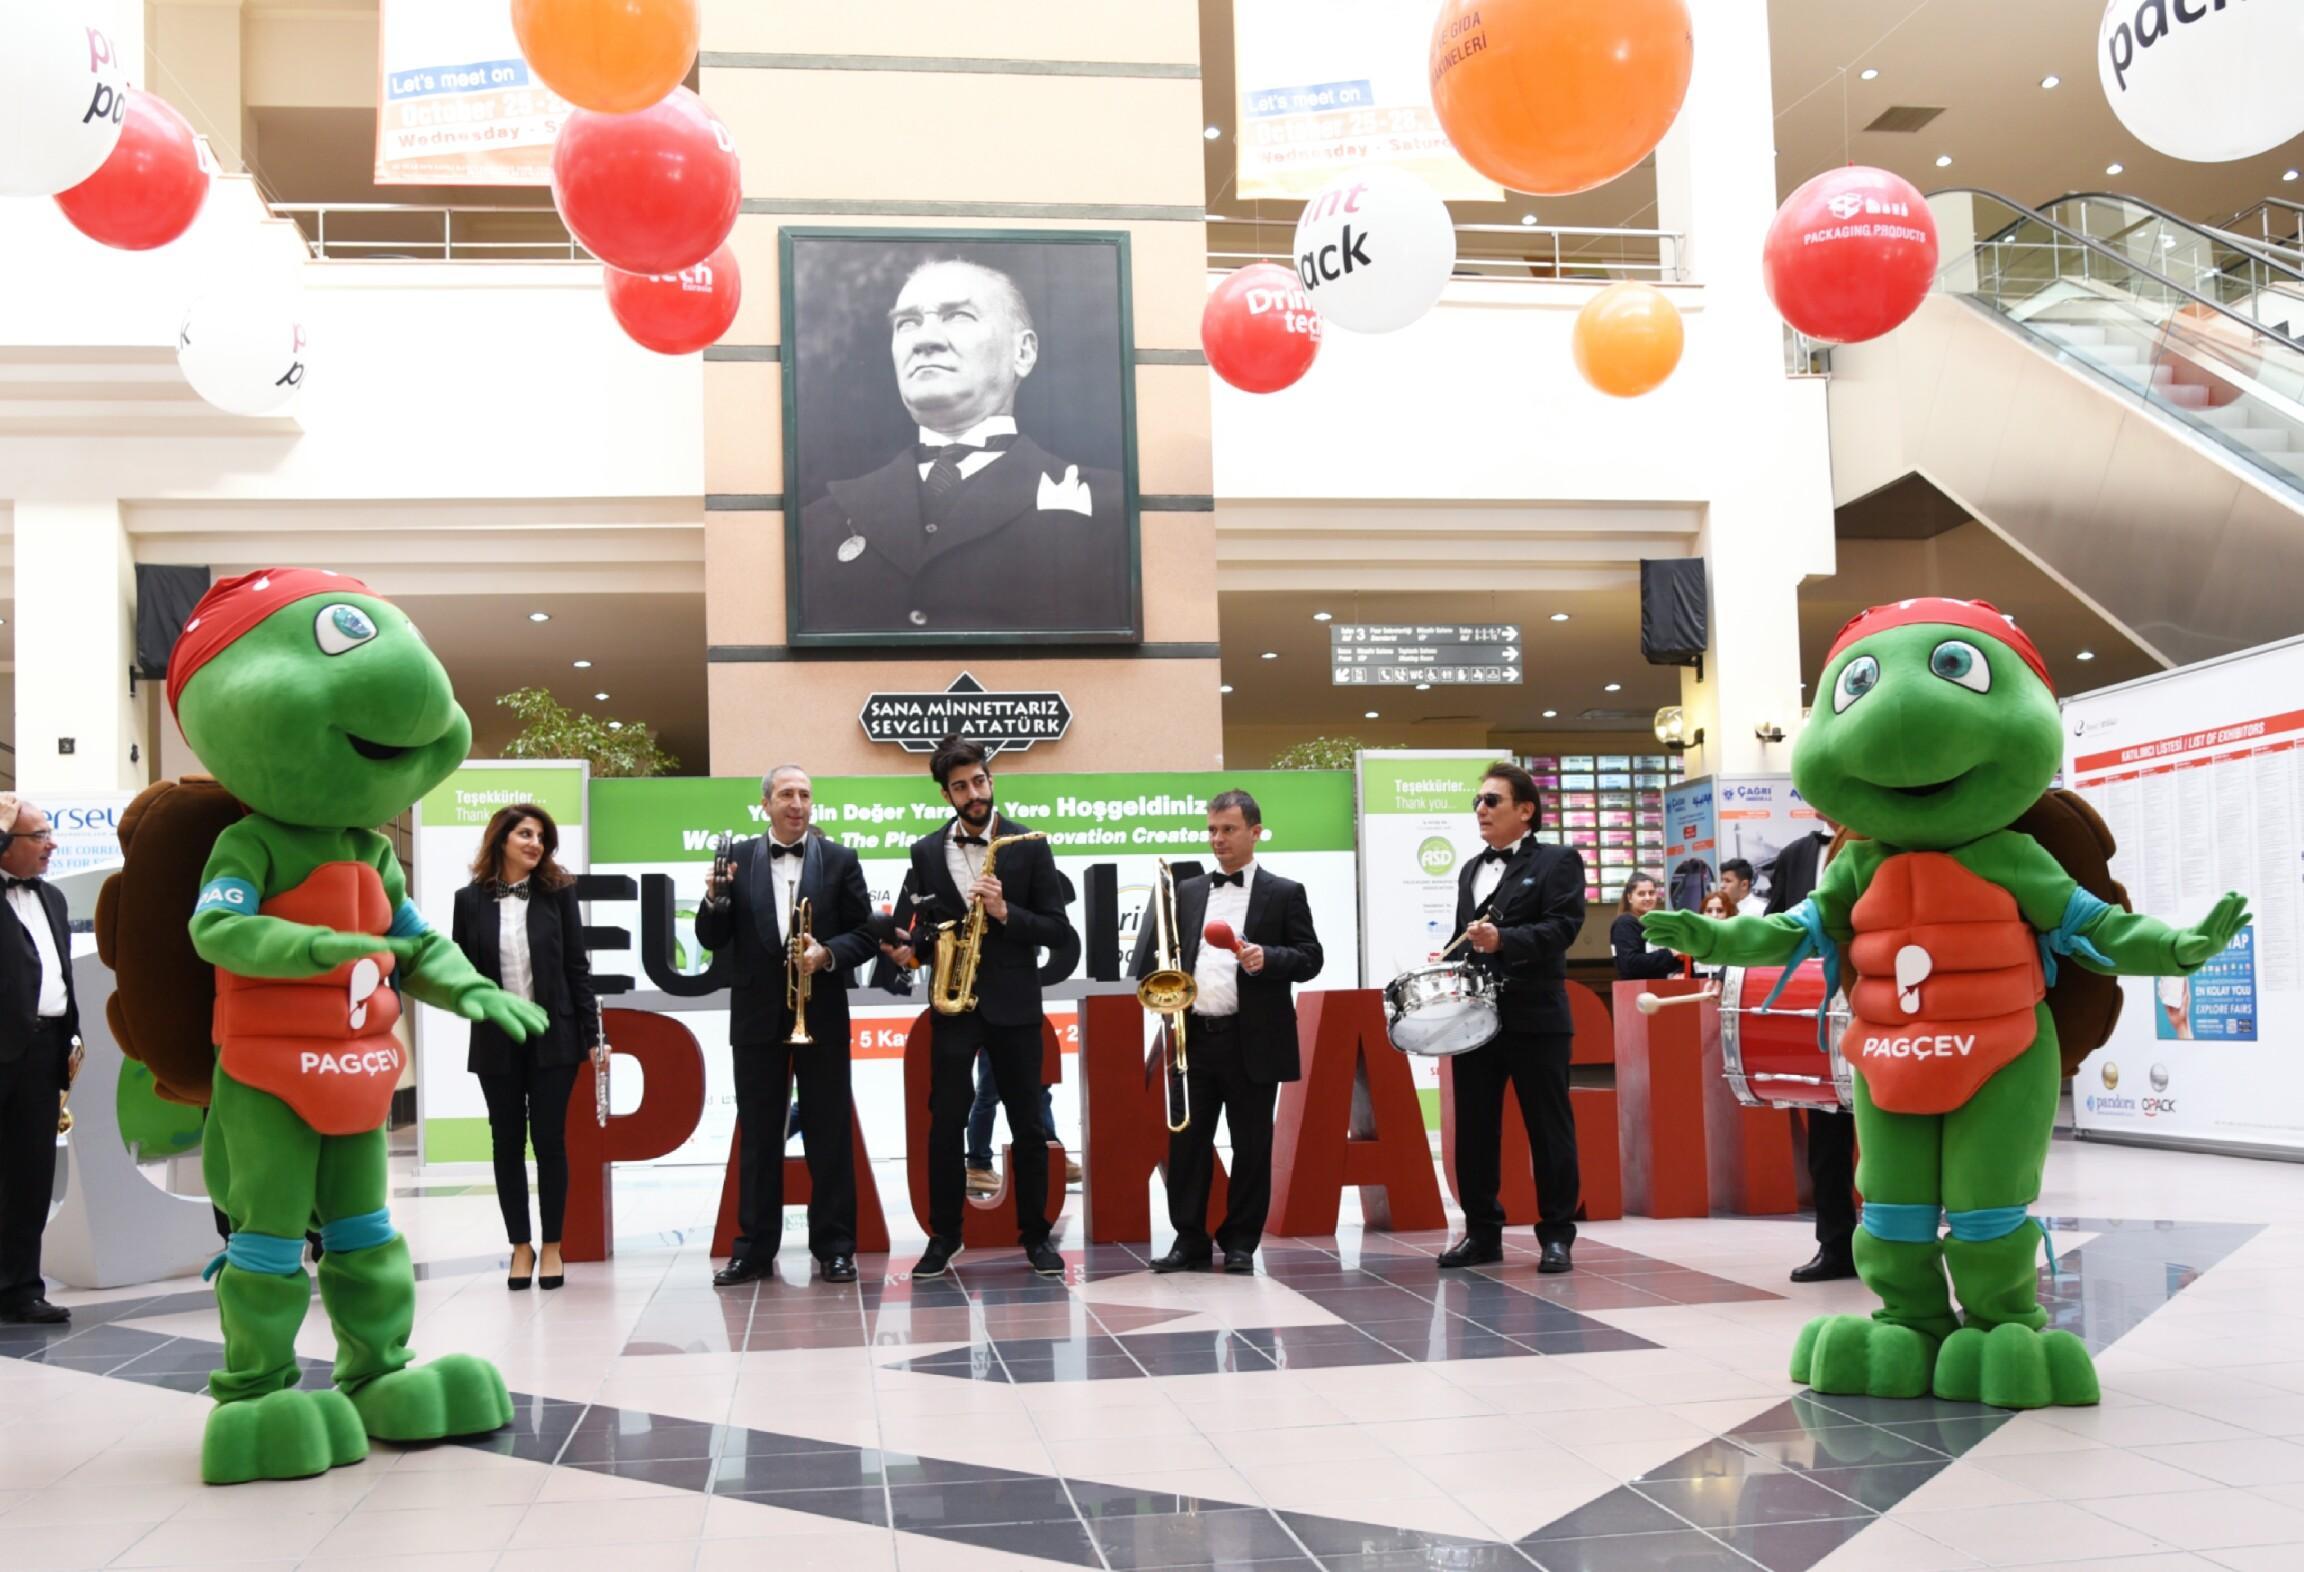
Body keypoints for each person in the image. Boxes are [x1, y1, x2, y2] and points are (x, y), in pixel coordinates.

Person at [795, 257, 1130, 637]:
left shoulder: (1114, 509)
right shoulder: (820, 524)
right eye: (907, 323)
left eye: (958, 316)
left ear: (1023, 353)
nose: (925, 340)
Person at [888, 736, 1075, 1278]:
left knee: (1029, 1124)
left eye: (980, 781)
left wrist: (1004, 911)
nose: (975, 793)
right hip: (952, 1003)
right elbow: (922, 930)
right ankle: (944, 1236)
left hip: (1014, 1005)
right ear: (946, 794)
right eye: (961, 786)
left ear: (991, 780)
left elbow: (1060, 933)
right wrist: (908, 950)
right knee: (944, 1122)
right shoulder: (925, 852)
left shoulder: (1028, 846)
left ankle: (1036, 1236)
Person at [697, 766, 878, 1287]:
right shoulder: (736, 858)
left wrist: (827, 954)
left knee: (829, 1132)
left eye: (804, 794)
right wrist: (713, 900)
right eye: (786, 795)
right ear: (765, 804)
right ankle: (752, 1250)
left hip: (820, 1015)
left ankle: (836, 1248)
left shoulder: (840, 859)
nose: (797, 803)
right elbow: (711, 938)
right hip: (755, 1017)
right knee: (758, 1137)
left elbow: (865, 932)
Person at [1130, 789, 1322, 1274]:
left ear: (1255, 832)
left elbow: (1310, 958)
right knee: (1187, 1145)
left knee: (1252, 1145)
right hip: (1194, 1036)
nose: (1218, 839)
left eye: (1229, 830)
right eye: (1212, 830)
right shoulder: (1189, 890)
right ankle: (1188, 1240)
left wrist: (1268, 957)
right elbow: (1163, 955)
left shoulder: (1284, 892)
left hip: (1252, 1039)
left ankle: (1240, 1242)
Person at [1442, 764, 1588, 1274]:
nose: (1480, 809)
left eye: (1492, 800)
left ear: (1525, 810)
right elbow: (1471, 939)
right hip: (1475, 1019)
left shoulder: (1557, 861)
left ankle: (1556, 1235)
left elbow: (1562, 929)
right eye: (1477, 801)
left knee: (1548, 1128)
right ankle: (1482, 1233)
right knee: (1475, 1131)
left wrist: (1506, 940)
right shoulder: (1469, 868)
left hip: (1535, 1015)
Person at [451, 804, 601, 1291]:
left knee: (551, 1141)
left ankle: (554, 1244)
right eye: (525, 834)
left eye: (541, 836)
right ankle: (520, 1245)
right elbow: (461, 975)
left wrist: (593, 1035)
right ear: (501, 839)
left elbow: (578, 967)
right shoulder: (468, 900)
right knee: (506, 1143)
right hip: (497, 1039)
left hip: (554, 1036)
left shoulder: (559, 895)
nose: (535, 843)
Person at [1768, 817, 1856, 1284]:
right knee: (1827, 1135)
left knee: (1897, 1135)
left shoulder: (1884, 838)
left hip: (1880, 1000)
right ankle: (1836, 1244)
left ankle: (1902, 1245)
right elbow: (1776, 923)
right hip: (1818, 1008)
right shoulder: (1796, 854)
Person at [0, 796, 77, 1325]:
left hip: (43, 1048)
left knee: (31, 1175)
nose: (51, 845)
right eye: (39, 836)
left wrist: (71, 1036)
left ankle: (21, 1289)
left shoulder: (51, 898)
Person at [1611, 874, 1680, 980]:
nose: (1648, 898)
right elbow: (1631, 964)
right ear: (1629, 897)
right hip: (1636, 991)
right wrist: (1670, 953)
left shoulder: (1657, 923)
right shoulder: (1624, 924)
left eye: (1651, 893)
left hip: (1661, 989)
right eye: (1641, 894)